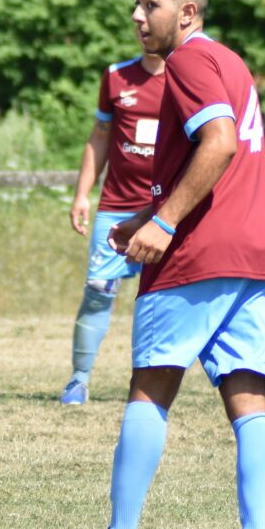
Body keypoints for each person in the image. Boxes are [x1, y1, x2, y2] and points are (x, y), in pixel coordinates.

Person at [58, 0, 265, 529]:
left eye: (150, 3)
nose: (138, 15)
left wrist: (163, 225)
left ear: (187, 12)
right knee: (249, 396)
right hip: (260, 257)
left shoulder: (186, 61)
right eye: (136, 4)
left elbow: (218, 144)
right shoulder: (232, 62)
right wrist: (146, 217)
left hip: (198, 256)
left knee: (150, 389)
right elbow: (223, 162)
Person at [59, 40, 164, 406]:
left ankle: (154, 387)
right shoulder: (116, 76)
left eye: (149, 13)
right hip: (116, 208)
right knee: (98, 290)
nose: (142, 22)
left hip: (167, 210)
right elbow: (100, 136)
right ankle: (78, 380)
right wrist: (82, 193)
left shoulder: (190, 76)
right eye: (137, 17)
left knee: (165, 298)